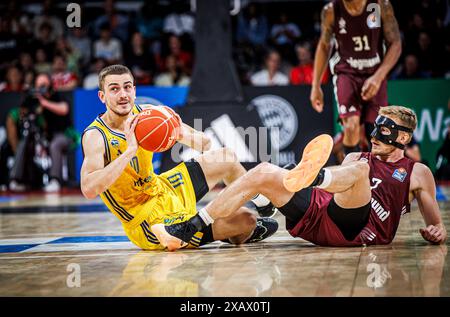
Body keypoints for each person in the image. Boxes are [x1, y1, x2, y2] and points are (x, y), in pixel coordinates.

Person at [156, 106, 447, 250]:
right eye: (375, 129)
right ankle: (191, 227)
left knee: (359, 170)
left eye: (385, 131)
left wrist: (437, 231)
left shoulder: (417, 172)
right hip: (322, 216)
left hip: (361, 232)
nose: (375, 136)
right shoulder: (357, 156)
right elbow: (336, 200)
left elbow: (436, 224)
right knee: (262, 171)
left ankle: (311, 175)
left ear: (404, 137)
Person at [80, 64, 277, 251]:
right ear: (102, 96)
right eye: (114, 89)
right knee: (246, 220)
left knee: (225, 157)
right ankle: (235, 230)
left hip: (163, 188)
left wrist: (178, 134)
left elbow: (205, 144)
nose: (123, 95)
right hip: (146, 220)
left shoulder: (148, 115)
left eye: (127, 87)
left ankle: (258, 200)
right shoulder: (96, 136)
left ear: (134, 90)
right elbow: (89, 189)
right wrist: (130, 151)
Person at [310, 0, 402, 155]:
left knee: (376, 132)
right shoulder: (331, 10)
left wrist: (378, 77)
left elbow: (396, 44)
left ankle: (377, 175)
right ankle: (352, 174)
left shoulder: (380, 5)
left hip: (374, 73)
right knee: (351, 126)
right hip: (347, 73)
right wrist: (315, 86)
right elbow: (324, 46)